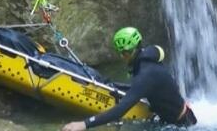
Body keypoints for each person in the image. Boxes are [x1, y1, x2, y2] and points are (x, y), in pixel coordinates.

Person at [60, 28, 197, 130]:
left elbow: (120, 110)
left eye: (124, 53)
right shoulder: (149, 56)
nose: (122, 57)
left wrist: (84, 124)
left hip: (181, 125)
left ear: (132, 51)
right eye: (121, 53)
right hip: (175, 117)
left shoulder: (145, 75)